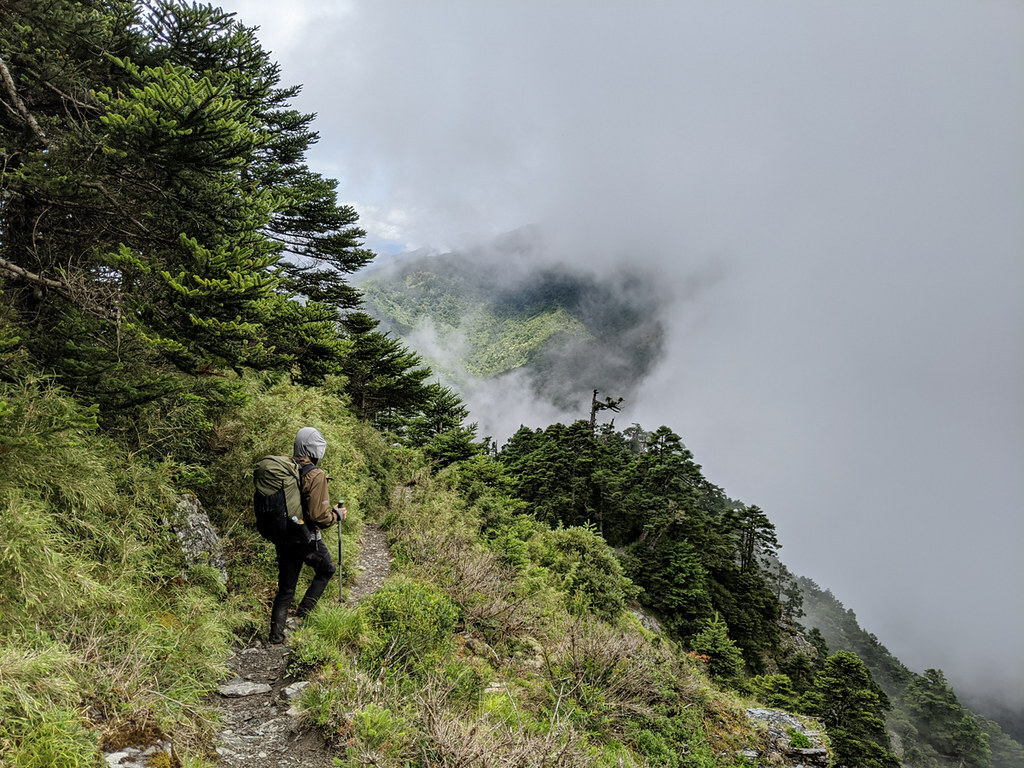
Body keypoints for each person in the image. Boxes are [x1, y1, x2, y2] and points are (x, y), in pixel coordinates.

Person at [269, 426, 346, 644]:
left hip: (283, 536)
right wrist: (337, 516)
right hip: (306, 538)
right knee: (327, 569)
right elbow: (318, 515)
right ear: (314, 449)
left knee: (286, 588)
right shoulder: (315, 474)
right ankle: (301, 617)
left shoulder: (287, 469)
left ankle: (275, 637)